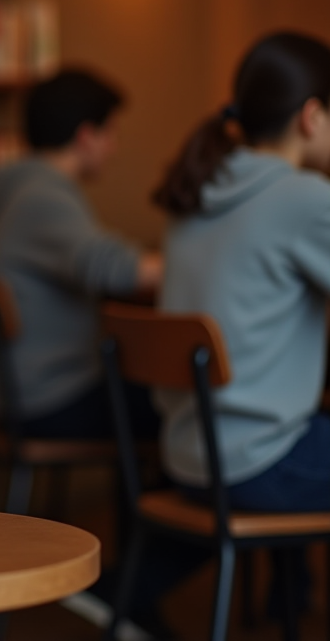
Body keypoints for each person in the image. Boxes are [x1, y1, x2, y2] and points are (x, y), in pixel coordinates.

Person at [153, 31, 330, 618]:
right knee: (302, 427)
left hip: (188, 455)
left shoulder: (196, 194)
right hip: (256, 463)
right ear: (311, 116)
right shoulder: (302, 197)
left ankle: (290, 600)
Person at [0, 68, 162, 439]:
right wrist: (205, 262)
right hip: (46, 397)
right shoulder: (43, 197)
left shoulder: (18, 189)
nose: (114, 148)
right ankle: (143, 499)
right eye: (111, 133)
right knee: (176, 406)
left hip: (22, 391)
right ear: (85, 135)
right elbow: (114, 269)